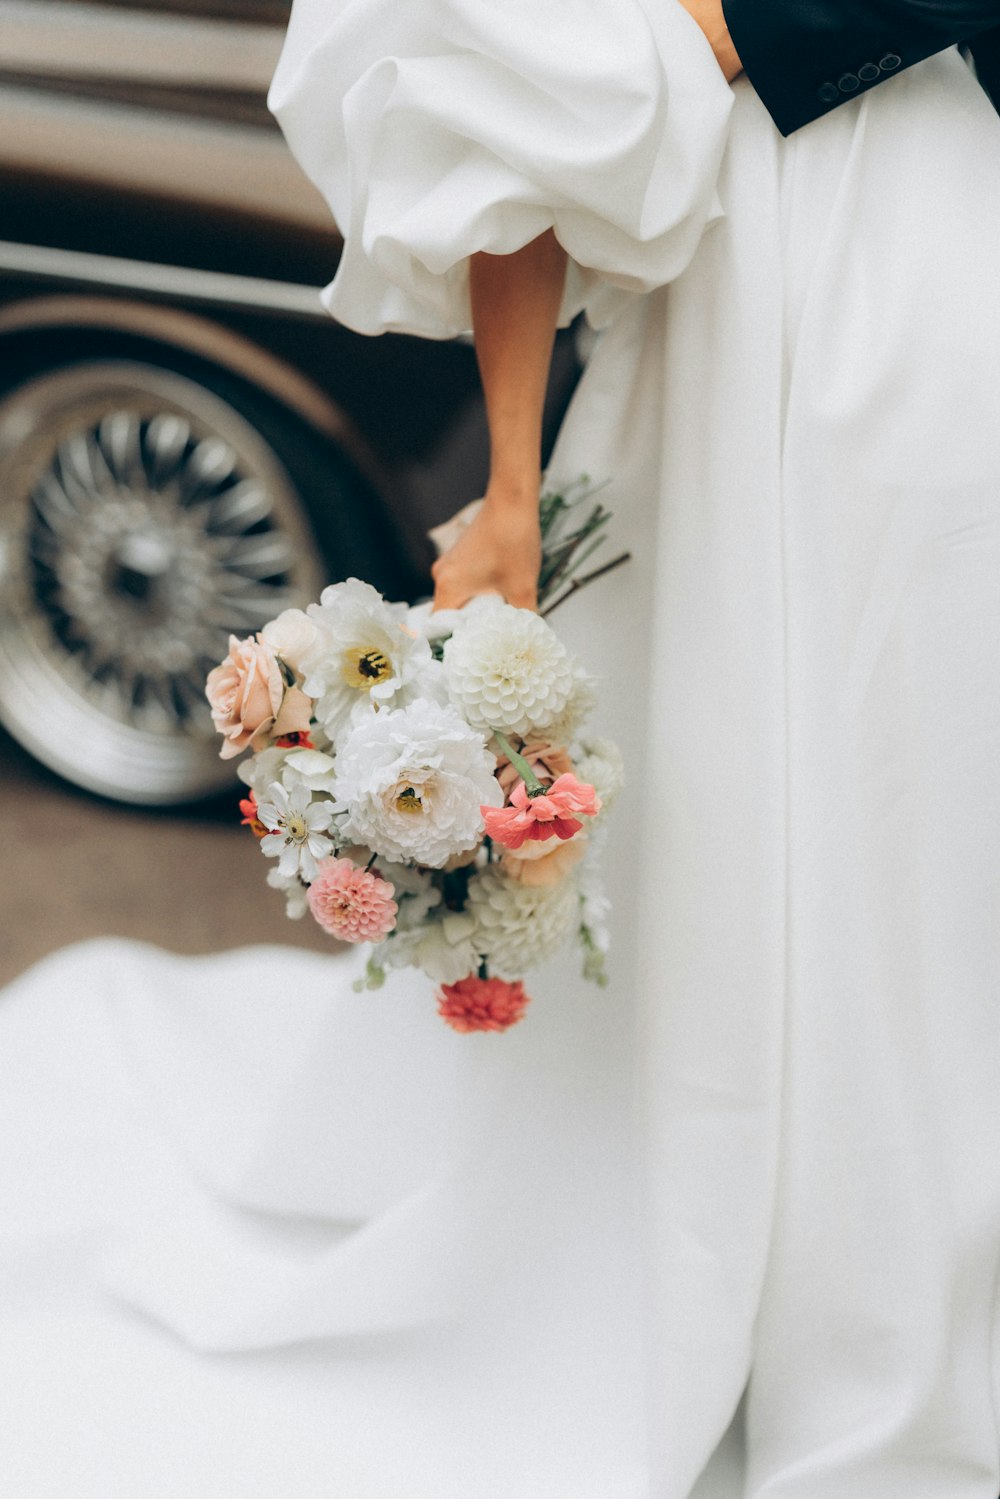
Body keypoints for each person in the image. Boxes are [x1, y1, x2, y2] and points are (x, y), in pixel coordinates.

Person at [264, 0, 1000, 1493]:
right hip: (740, 320)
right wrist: (514, 488)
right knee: (754, 803)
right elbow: (513, 107)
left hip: (945, 290)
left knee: (928, 804)